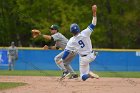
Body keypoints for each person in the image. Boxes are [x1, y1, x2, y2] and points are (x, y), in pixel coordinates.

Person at [58, 4, 99, 81]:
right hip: (92, 56)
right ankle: (94, 53)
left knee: (83, 77)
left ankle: (89, 75)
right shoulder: (85, 32)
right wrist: (94, 12)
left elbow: (66, 53)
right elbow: (93, 24)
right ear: (79, 29)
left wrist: (62, 59)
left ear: (71, 32)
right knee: (91, 54)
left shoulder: (71, 41)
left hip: (84, 59)